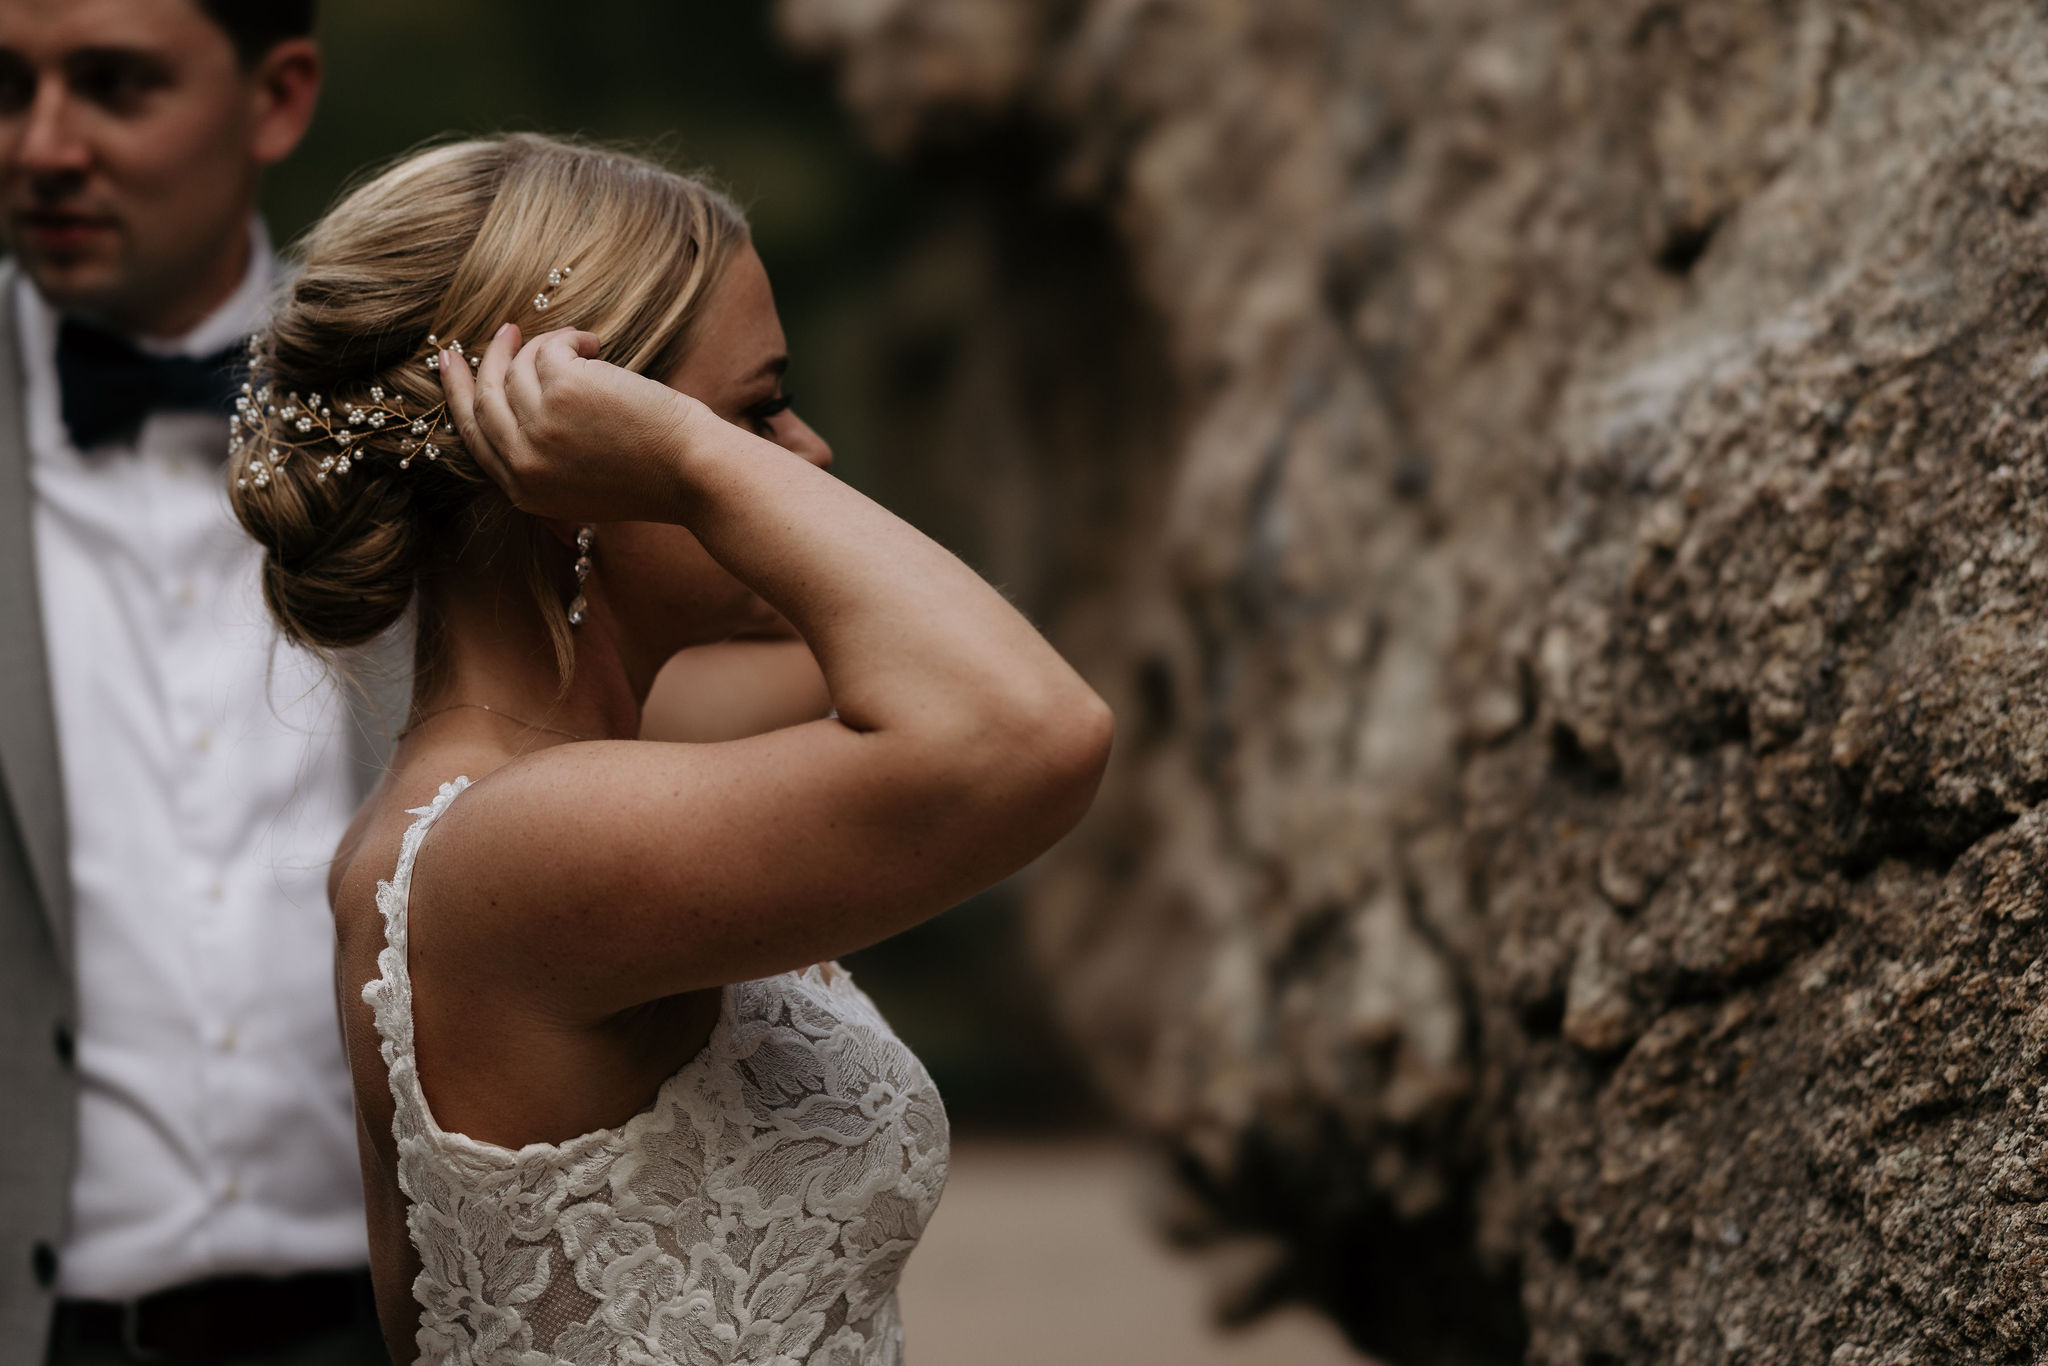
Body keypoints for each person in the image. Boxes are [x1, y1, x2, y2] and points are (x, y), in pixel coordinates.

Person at [226, 133, 1114, 1364]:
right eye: (758, 408)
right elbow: (1027, 730)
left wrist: (700, 453)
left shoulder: (597, 771)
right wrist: (697, 465)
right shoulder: (519, 848)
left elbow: (927, 657)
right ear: (583, 451)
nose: (808, 454)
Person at [0, 1, 396, 1362]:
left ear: (277, 101)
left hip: (398, 1317)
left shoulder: (418, 414)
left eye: (112, 86)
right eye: (6, 88)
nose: (42, 145)